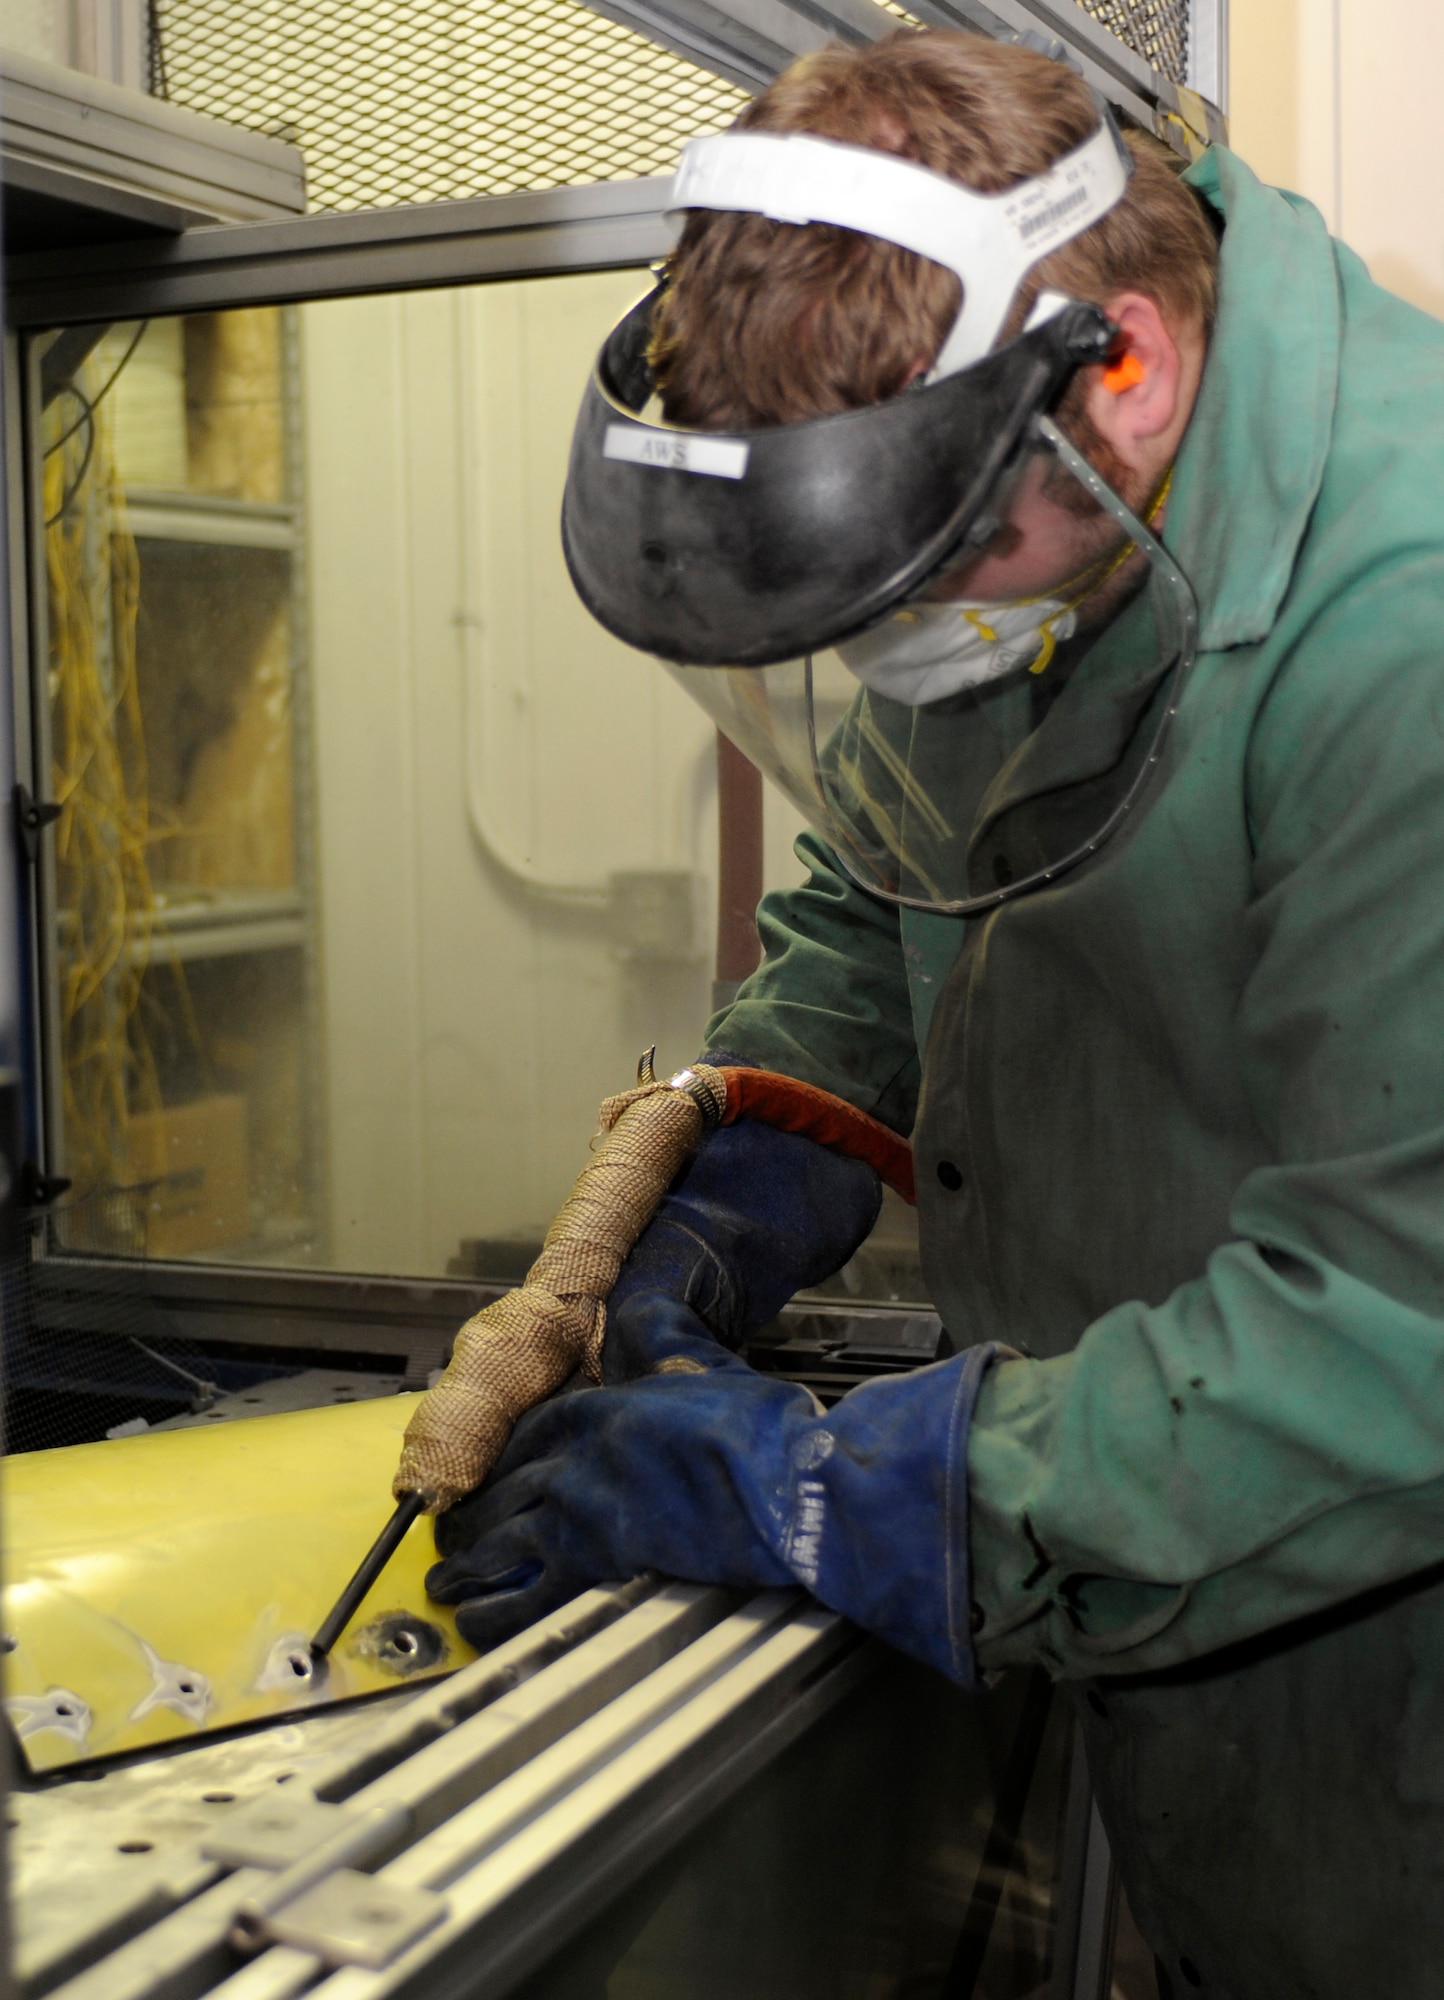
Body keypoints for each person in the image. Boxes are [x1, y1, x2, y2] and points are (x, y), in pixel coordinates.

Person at [423, 30, 1444, 1996]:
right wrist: (725, 1170)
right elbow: (893, 868)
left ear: (1119, 367)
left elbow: (1395, 1337)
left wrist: (827, 1491)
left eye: (928, 579)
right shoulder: (1032, 482)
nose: (902, 644)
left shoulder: (1404, 639)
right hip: (1207, 1723)